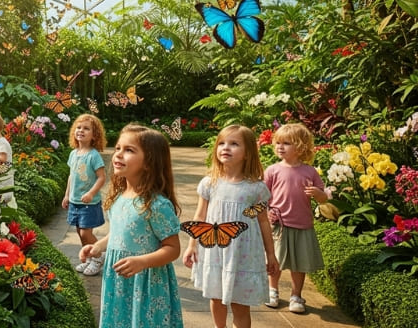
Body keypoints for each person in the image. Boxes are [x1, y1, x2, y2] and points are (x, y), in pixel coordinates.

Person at [79, 124, 183, 327]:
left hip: (145, 284)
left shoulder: (156, 205)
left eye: (129, 150)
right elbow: (119, 233)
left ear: (149, 163)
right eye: (118, 148)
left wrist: (142, 262)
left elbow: (173, 248)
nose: (118, 154)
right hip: (118, 282)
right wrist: (97, 247)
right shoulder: (119, 198)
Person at [182, 124, 279, 328]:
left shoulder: (256, 188)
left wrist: (270, 254)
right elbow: (200, 216)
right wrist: (192, 245)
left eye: (234, 144)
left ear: (247, 153)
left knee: (240, 304)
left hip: (244, 255)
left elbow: (263, 221)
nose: (226, 147)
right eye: (222, 143)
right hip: (215, 252)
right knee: (216, 298)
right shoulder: (209, 183)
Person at [263, 123, 328, 314]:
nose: (280, 147)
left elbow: (323, 198)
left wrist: (317, 193)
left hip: (302, 224)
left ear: (300, 147)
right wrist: (267, 211)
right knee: (275, 261)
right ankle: (272, 291)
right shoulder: (273, 170)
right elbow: (262, 196)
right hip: (279, 225)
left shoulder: (310, 172)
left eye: (286, 143)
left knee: (299, 264)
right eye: (278, 143)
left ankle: (296, 295)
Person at [62, 114, 108, 276]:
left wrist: (91, 193)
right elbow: (71, 176)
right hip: (75, 201)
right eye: (79, 127)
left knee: (85, 233)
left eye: (86, 128)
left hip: (89, 203)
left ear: (94, 135)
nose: (81, 130)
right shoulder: (74, 154)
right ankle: (88, 257)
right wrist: (66, 195)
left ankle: (99, 256)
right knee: (79, 232)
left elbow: (102, 177)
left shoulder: (93, 155)